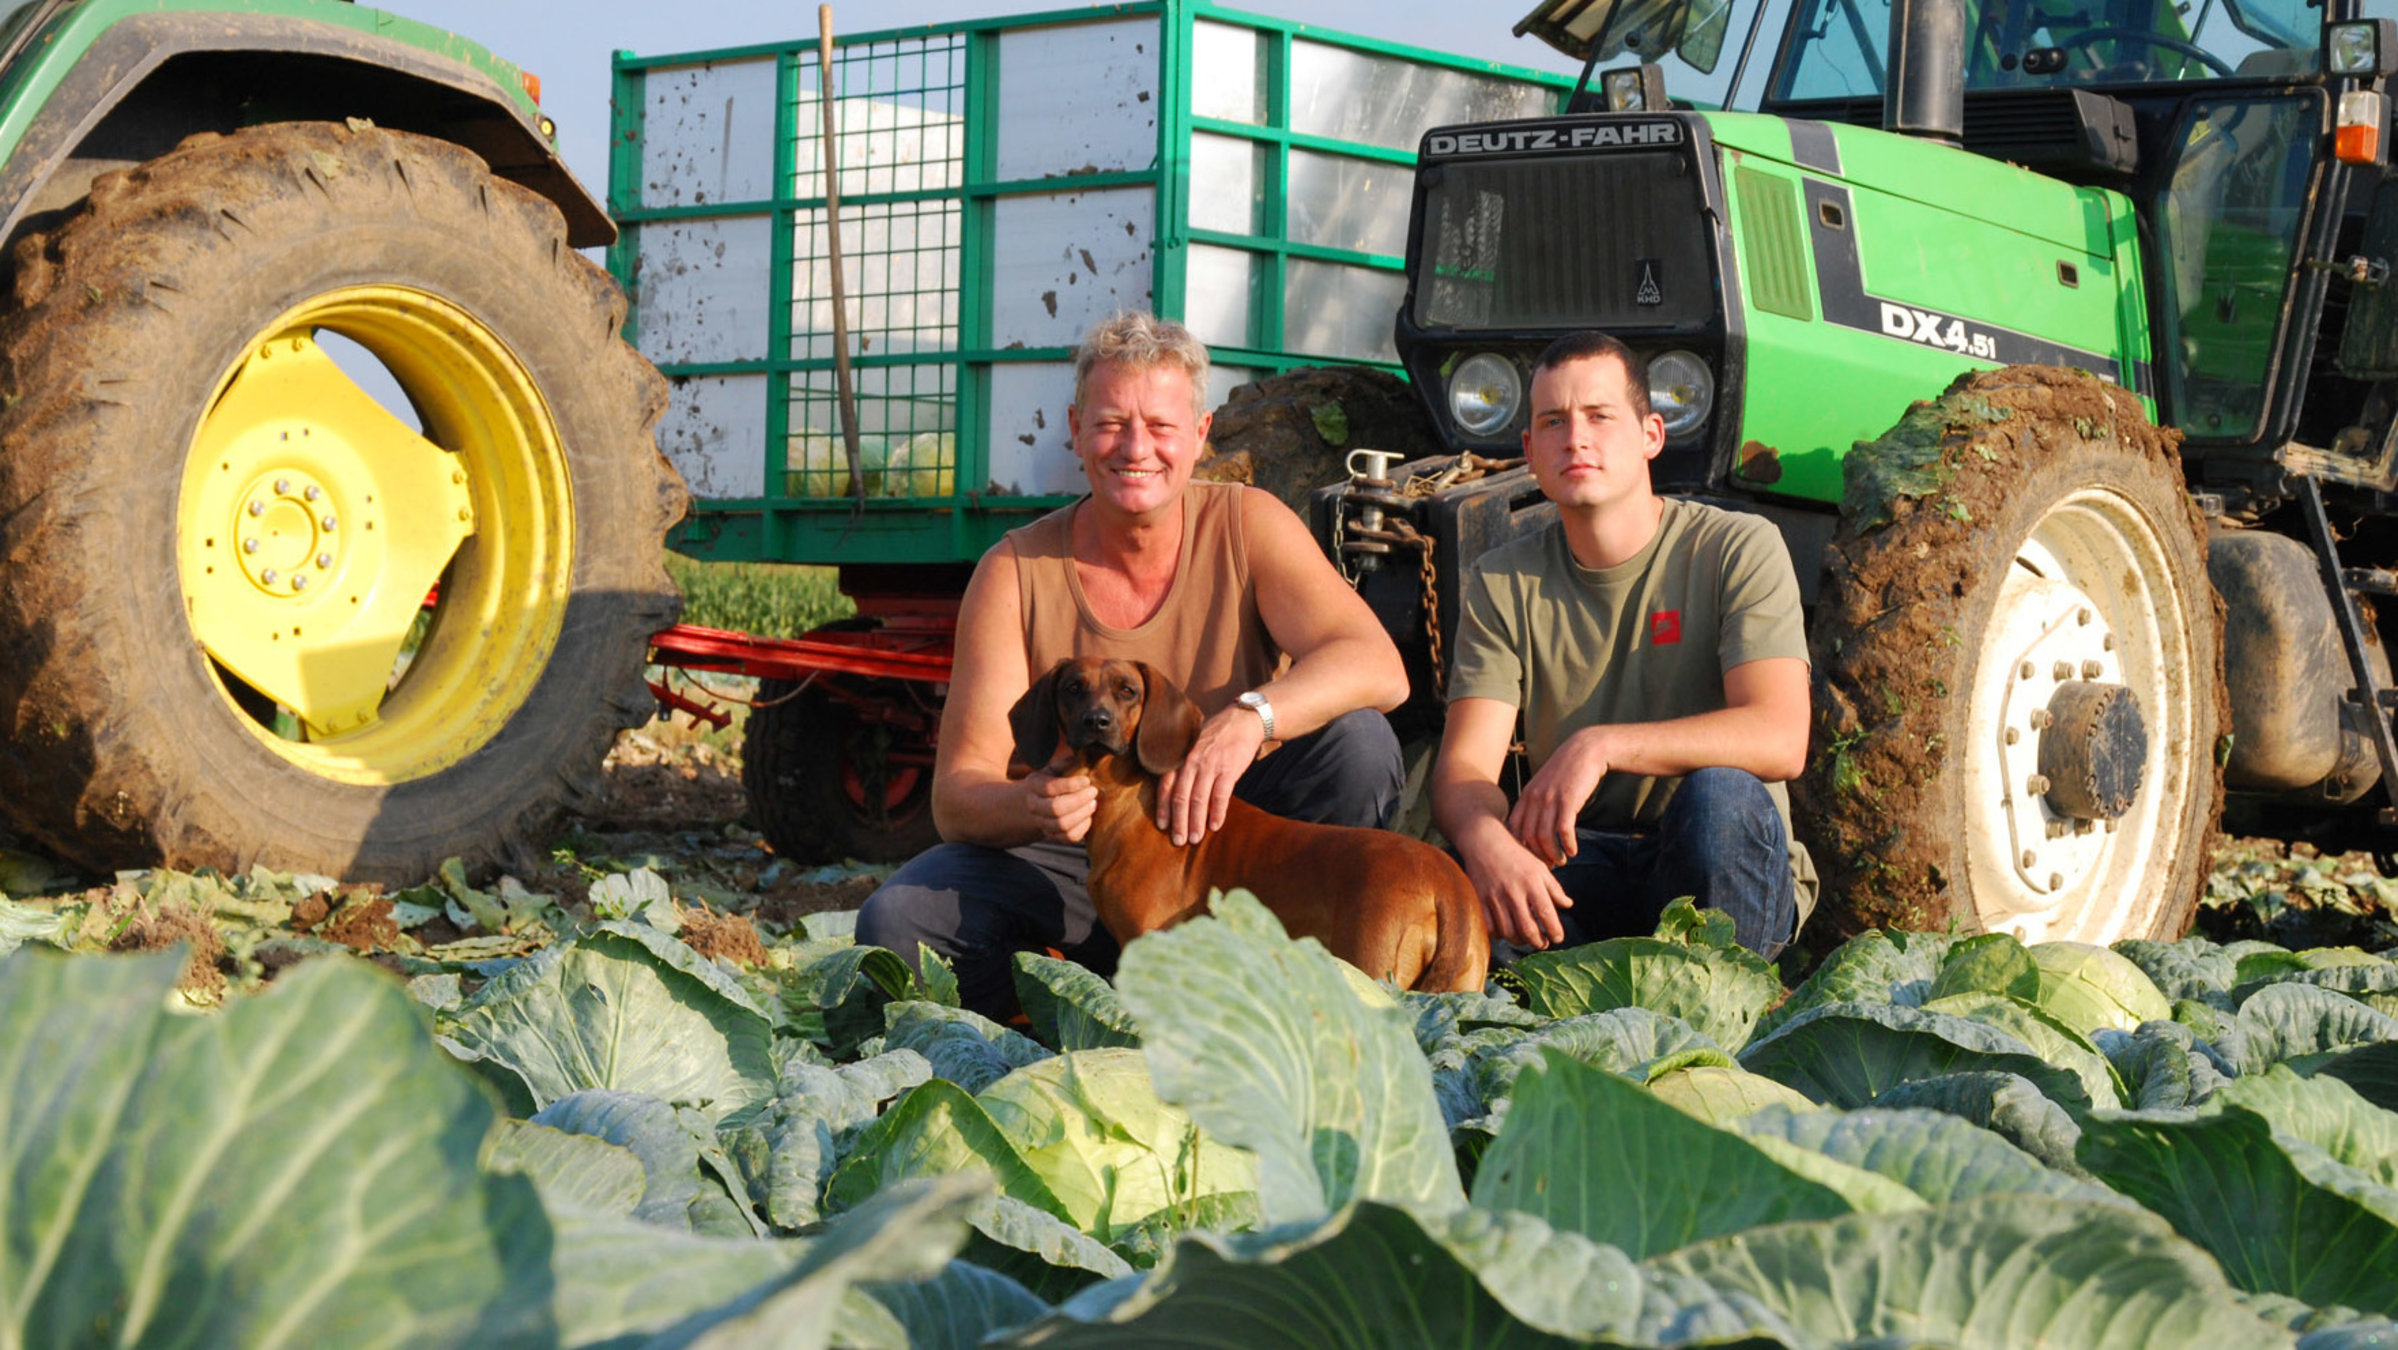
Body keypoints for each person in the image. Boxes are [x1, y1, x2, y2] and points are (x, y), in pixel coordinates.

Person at [857, 311, 1412, 1018]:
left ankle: (1289, 1001)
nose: (1136, 447)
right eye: (1112, 423)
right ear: (1076, 428)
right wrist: (1032, 806)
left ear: (1201, 434)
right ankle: (1037, 1045)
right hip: (1079, 861)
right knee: (898, 923)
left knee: (1356, 745)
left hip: (1228, 856)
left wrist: (1252, 717)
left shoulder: (1249, 525)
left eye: (1160, 425)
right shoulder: (1013, 571)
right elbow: (957, 795)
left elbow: (1377, 666)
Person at [1430, 331, 1813, 959]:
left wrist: (1602, 746)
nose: (1575, 438)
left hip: (1715, 857)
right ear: (1530, 450)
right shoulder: (1504, 580)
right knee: (1461, 888)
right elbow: (1464, 770)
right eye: (1553, 421)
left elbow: (1780, 736)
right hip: (1584, 859)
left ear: (1651, 436)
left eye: (1600, 416)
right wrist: (1486, 842)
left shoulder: (1738, 547)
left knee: (1718, 797)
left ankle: (1729, 1007)